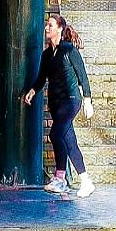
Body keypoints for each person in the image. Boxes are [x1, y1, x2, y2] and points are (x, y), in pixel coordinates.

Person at [24, 12, 96, 198]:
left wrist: (87, 100)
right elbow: (41, 78)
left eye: (50, 25)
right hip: (55, 104)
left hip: (71, 100)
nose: (47, 28)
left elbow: (82, 76)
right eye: (46, 25)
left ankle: (60, 177)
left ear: (60, 29)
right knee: (69, 140)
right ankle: (85, 180)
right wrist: (32, 91)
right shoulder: (47, 54)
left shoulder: (69, 50)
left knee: (56, 133)